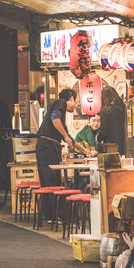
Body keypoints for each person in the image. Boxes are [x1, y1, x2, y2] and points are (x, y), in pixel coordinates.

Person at [35, 89, 97, 219]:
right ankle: (57, 215)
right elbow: (54, 118)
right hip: (48, 146)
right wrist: (66, 137)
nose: (75, 106)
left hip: (46, 146)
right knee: (52, 180)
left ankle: (50, 215)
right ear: (71, 99)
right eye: (75, 102)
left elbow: (69, 138)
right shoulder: (61, 102)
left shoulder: (61, 119)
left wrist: (85, 151)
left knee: (48, 181)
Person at [97, 86, 126, 155]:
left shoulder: (105, 111)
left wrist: (98, 138)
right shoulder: (123, 108)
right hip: (124, 147)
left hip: (111, 148)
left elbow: (104, 131)